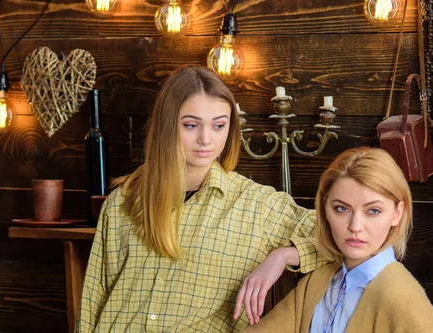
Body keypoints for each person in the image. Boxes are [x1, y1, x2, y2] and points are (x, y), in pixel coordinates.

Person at [76, 65, 328, 332]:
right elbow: (94, 301)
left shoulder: (256, 206)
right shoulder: (121, 203)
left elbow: (339, 234)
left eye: (219, 125)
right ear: (167, 125)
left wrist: (284, 255)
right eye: (191, 125)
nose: (205, 139)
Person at [242, 147, 433, 333]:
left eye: (373, 211)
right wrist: (283, 255)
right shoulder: (319, 280)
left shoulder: (404, 299)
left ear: (397, 213)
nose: (355, 226)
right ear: (324, 209)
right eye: (342, 209)